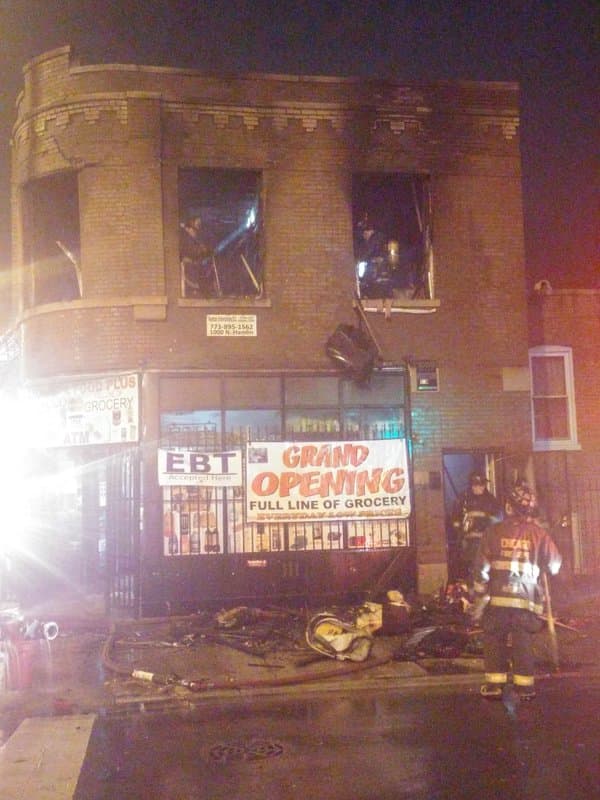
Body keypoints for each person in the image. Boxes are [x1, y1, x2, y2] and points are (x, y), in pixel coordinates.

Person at [470, 482, 562, 700]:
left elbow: (481, 568)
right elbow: (555, 566)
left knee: (494, 639)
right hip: (525, 601)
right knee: (523, 643)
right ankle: (525, 688)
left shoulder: (493, 532)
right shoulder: (540, 535)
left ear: (509, 507)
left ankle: (495, 686)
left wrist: (479, 590)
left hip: (497, 601)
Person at [451, 471, 502, 579]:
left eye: (482, 484)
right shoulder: (462, 500)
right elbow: (455, 521)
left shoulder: (491, 501)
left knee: (486, 571)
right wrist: (462, 534)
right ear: (471, 485)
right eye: (476, 484)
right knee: (468, 572)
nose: (479, 487)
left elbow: (498, 521)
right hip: (468, 543)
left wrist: (481, 514)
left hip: (486, 542)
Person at [179, 214, 215, 296]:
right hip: (189, 270)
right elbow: (190, 251)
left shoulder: (195, 239)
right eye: (197, 222)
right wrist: (201, 250)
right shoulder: (185, 239)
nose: (195, 233)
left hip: (195, 269)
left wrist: (206, 250)